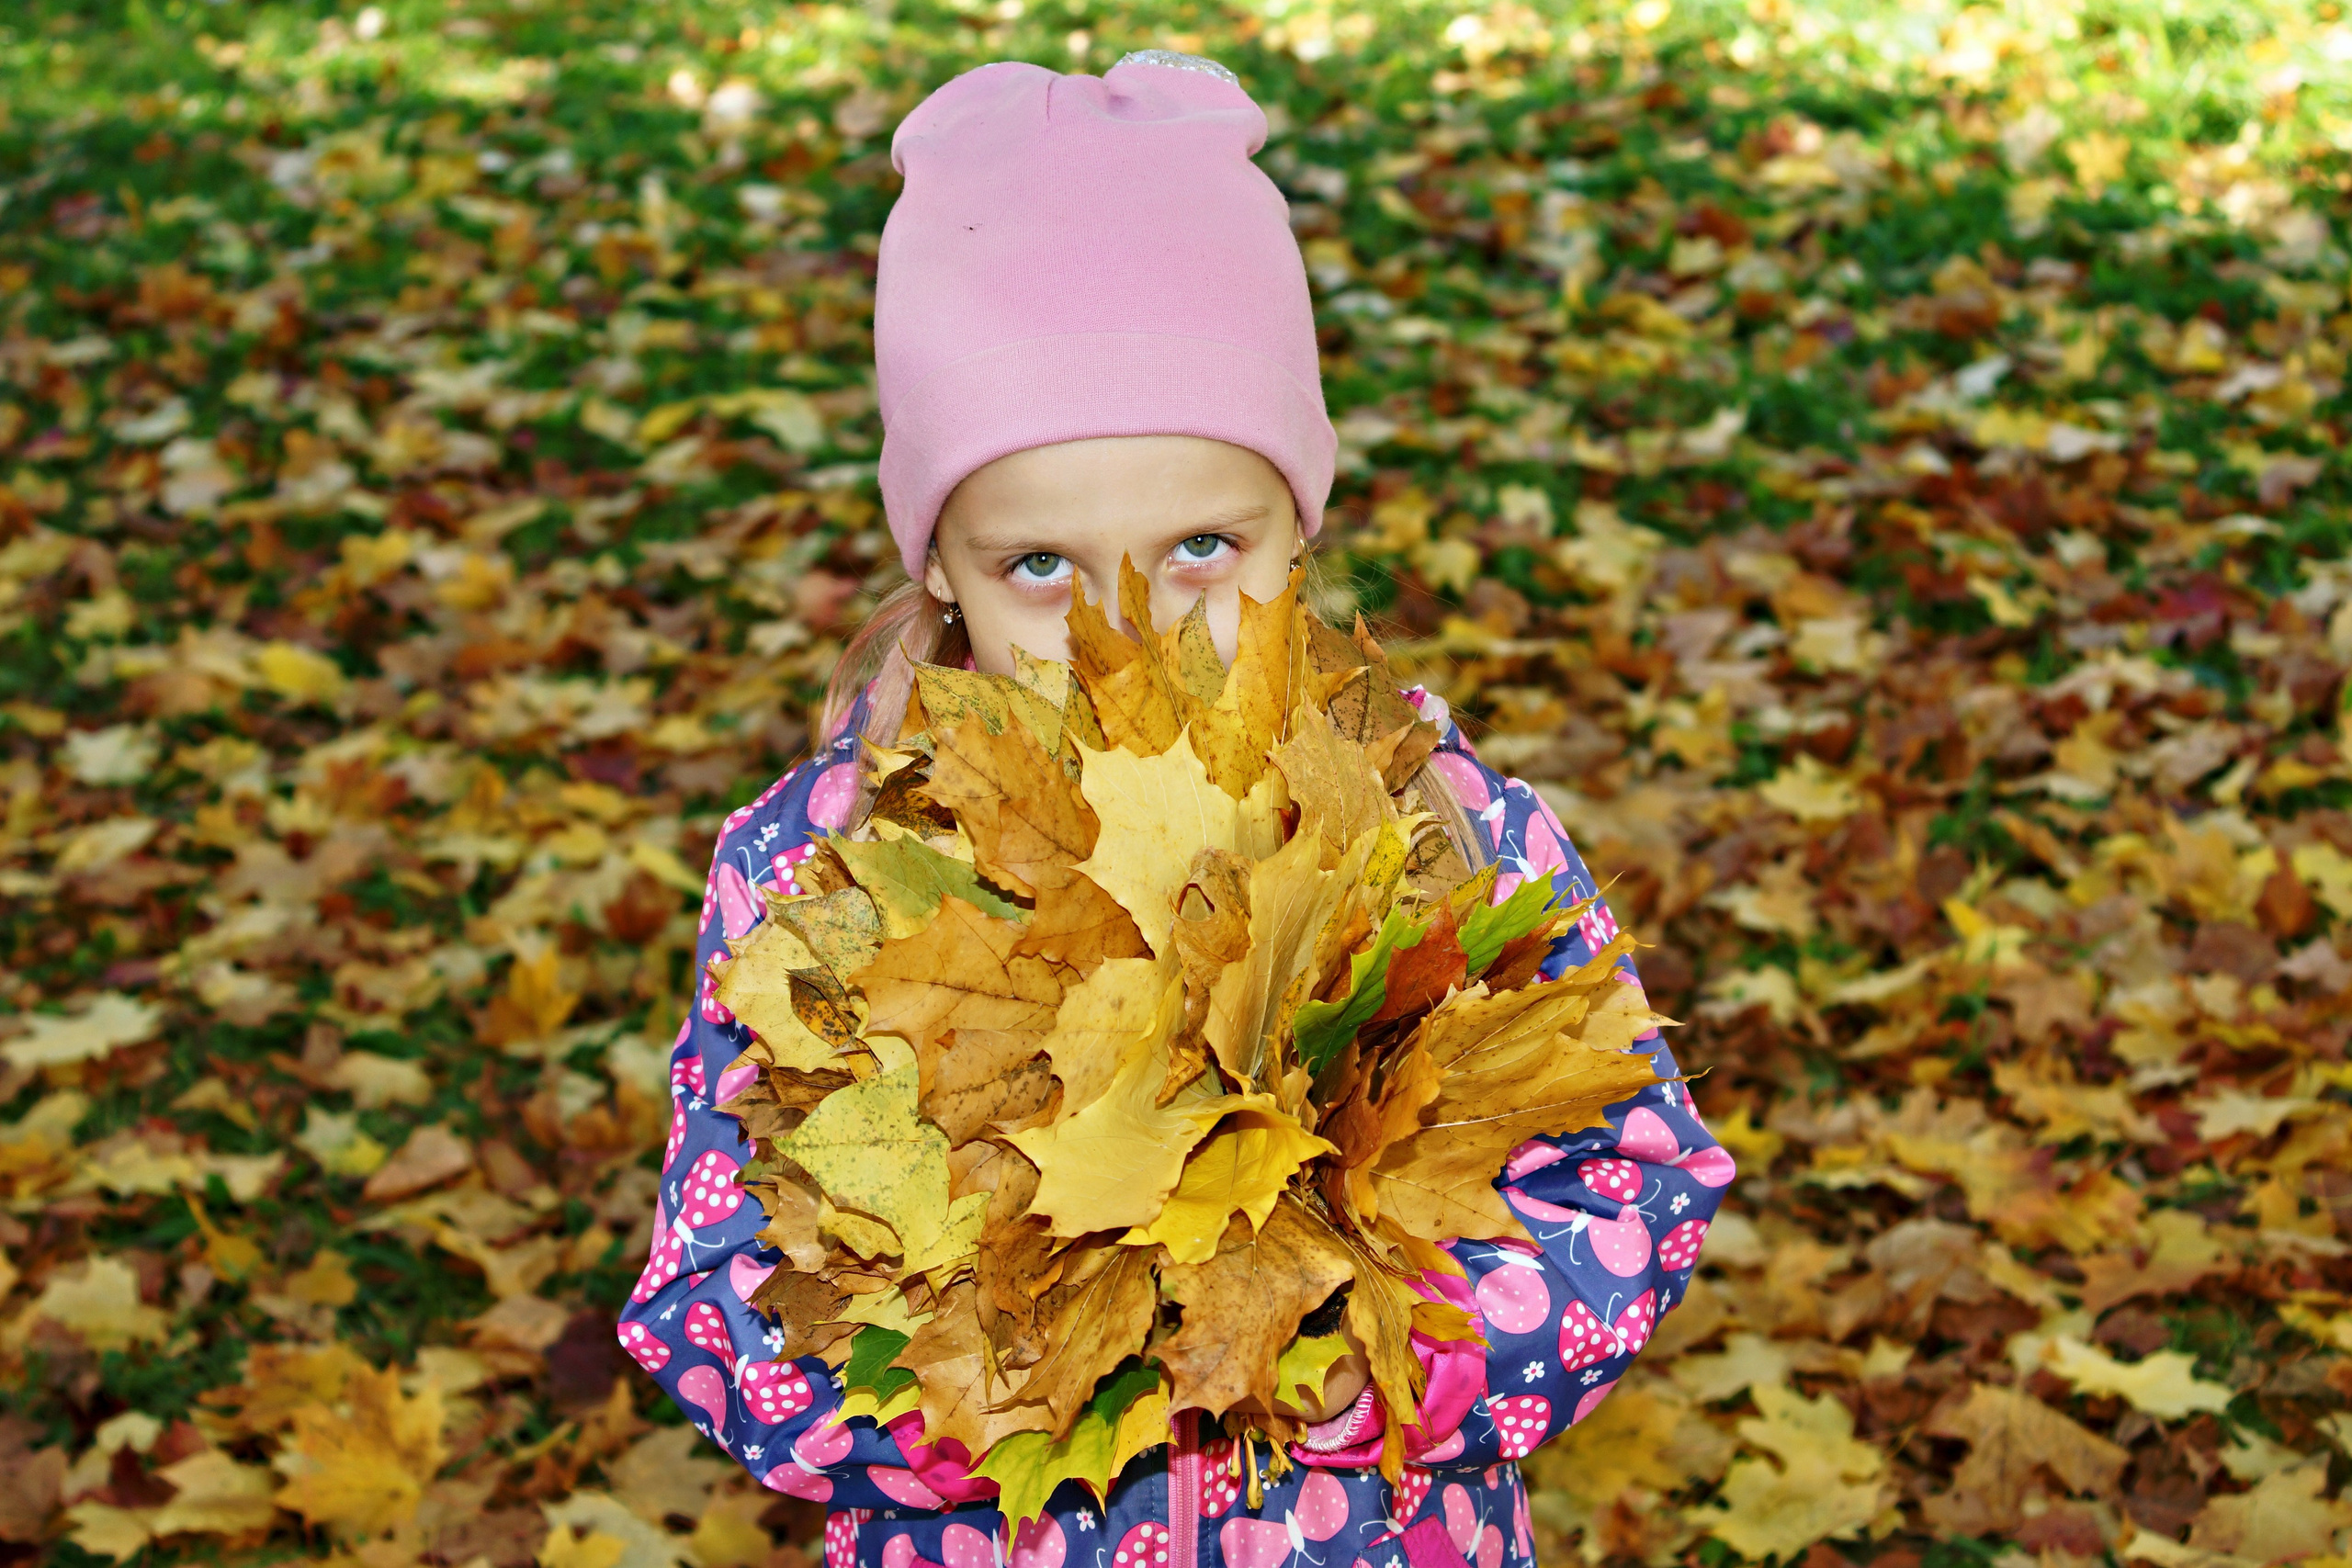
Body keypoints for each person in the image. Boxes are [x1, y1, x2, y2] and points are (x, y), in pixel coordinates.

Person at [617, 51, 1733, 1568]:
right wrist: (990, 1394)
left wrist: (1356, 1361)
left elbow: (1634, 1182)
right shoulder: (826, 873)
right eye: (1038, 567)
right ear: (937, 562)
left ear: (1300, 526)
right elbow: (712, 1295)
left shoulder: (1435, 829)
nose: (1121, 627)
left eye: (1203, 543)